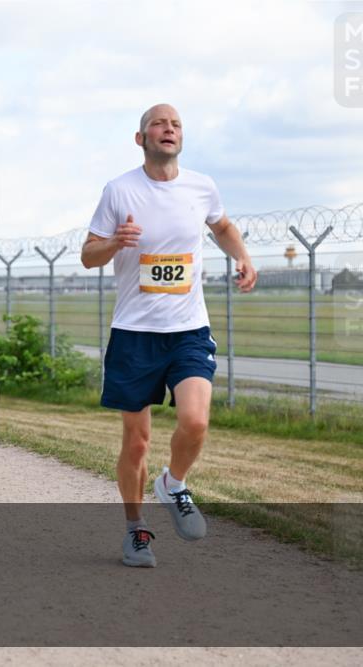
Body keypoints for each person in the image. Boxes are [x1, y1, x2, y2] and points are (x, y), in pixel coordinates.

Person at [81, 103, 258, 568]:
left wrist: (241, 255)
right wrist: (115, 242)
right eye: (158, 124)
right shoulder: (119, 190)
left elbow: (220, 225)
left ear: (182, 137)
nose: (169, 129)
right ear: (140, 138)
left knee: (196, 421)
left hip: (188, 330)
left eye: (176, 123)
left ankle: (173, 483)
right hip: (134, 333)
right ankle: (136, 531)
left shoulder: (202, 186)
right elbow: (87, 255)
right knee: (136, 441)